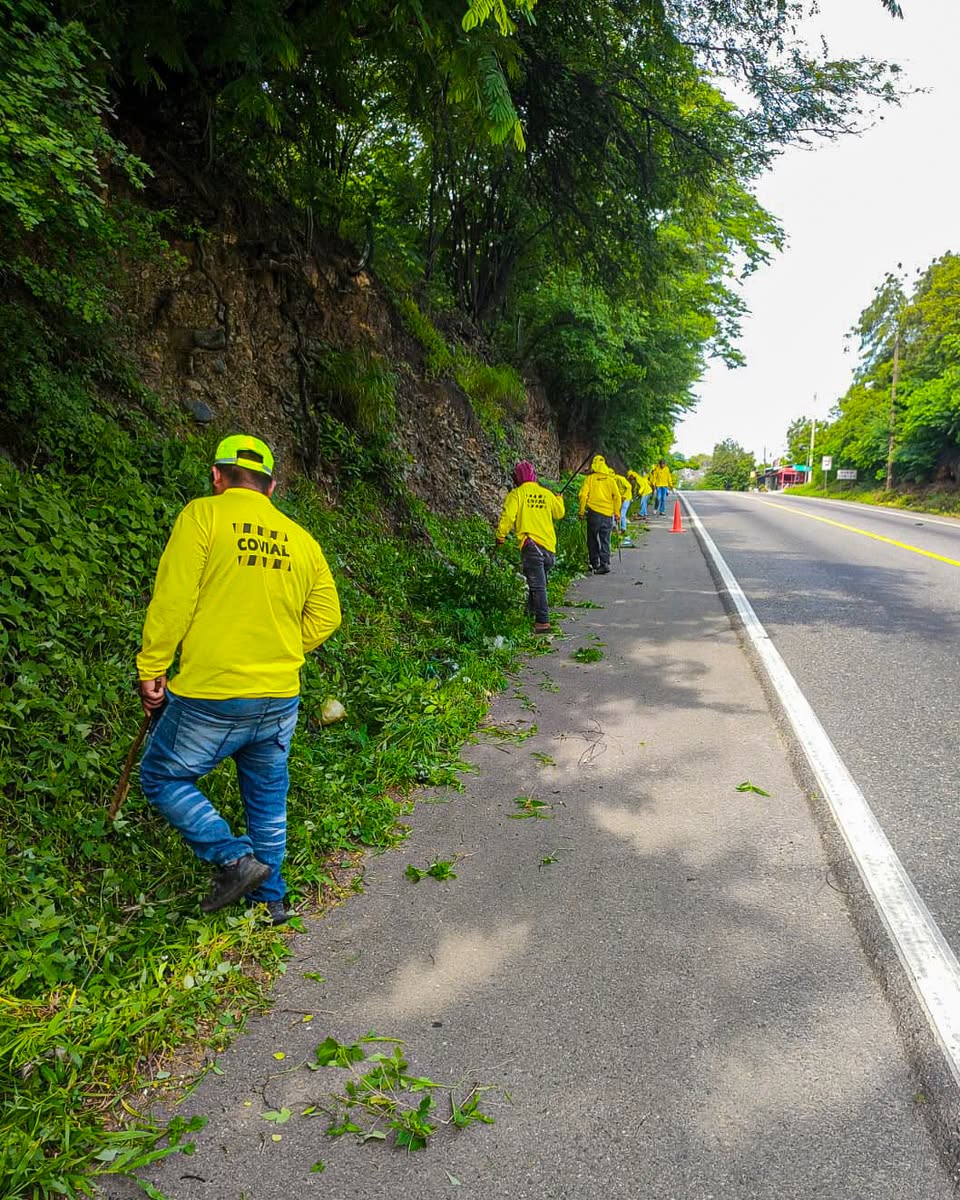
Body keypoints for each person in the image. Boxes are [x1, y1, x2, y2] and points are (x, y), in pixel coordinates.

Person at [136, 434, 342, 925]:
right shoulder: (300, 539)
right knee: (267, 800)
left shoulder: (203, 517)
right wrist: (280, 648)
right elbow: (327, 616)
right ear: (272, 487)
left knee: (162, 775)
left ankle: (233, 859)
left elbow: (173, 600)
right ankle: (270, 901)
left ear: (217, 476)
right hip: (279, 695)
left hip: (213, 692)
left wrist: (153, 666)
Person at [496, 460, 565, 634]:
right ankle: (530, 612)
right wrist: (559, 499)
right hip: (549, 547)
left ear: (518, 477)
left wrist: (500, 535)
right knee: (538, 581)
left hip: (531, 546)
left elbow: (508, 516)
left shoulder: (517, 494)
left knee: (538, 585)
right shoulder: (546, 494)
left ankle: (542, 621)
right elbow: (559, 513)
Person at [577, 454, 621, 574]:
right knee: (605, 539)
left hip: (594, 513)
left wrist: (581, 511)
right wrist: (617, 512)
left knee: (592, 539)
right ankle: (604, 563)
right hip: (607, 514)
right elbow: (617, 497)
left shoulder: (590, 479)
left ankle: (594, 562)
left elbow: (583, 495)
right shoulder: (610, 480)